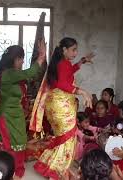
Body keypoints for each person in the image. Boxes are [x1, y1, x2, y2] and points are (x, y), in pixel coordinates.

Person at [33, 37, 95, 179]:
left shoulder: (61, 63)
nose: (75, 53)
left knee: (63, 138)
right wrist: (82, 92)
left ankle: (51, 165)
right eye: (73, 50)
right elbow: (63, 84)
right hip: (62, 107)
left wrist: (82, 61)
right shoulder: (63, 63)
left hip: (56, 106)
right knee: (68, 138)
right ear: (64, 50)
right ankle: (56, 171)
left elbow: (68, 74)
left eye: (76, 50)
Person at [0, 41, 46, 179]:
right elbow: (31, 71)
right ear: (13, 59)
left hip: (16, 114)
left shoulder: (14, 74)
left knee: (19, 143)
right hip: (8, 116)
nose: (22, 61)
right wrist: (42, 55)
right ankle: (11, 172)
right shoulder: (8, 74)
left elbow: (32, 75)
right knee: (12, 145)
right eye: (20, 58)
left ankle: (17, 170)